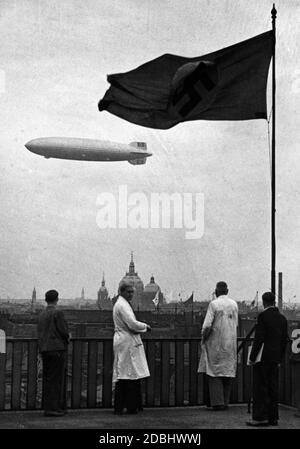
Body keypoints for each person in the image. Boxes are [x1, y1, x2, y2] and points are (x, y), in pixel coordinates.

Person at [246, 291, 288, 427]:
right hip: (275, 358)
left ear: (264, 302)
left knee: (260, 387)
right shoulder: (282, 318)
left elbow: (259, 339)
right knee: (273, 387)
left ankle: (259, 417)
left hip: (262, 358)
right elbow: (284, 341)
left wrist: (252, 357)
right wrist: (280, 358)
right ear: (274, 302)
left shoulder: (263, 316)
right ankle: (273, 418)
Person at [198, 281, 238, 410]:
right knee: (227, 372)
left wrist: (203, 339)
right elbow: (236, 324)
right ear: (227, 291)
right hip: (230, 343)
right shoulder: (234, 304)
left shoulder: (213, 304)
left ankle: (217, 403)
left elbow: (207, 325)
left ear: (216, 292)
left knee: (214, 372)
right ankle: (225, 401)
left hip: (215, 344)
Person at [113, 281, 151, 414]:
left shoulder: (121, 304)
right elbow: (132, 324)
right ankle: (131, 406)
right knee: (129, 374)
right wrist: (146, 326)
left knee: (125, 373)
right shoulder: (123, 305)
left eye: (132, 292)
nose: (131, 294)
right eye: (129, 292)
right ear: (121, 291)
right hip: (127, 341)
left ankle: (123, 406)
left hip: (124, 341)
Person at [37, 290, 69, 417]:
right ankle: (54, 408)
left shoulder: (42, 313)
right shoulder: (58, 312)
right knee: (56, 380)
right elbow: (63, 331)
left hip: (45, 349)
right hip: (56, 349)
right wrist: (67, 338)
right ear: (57, 299)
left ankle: (49, 407)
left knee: (49, 379)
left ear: (46, 300)